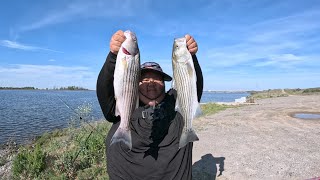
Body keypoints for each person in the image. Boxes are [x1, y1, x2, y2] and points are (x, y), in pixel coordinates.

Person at [96, 30, 203, 180]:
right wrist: (113, 57)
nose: (151, 83)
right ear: (134, 82)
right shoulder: (126, 104)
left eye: (157, 79)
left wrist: (191, 57)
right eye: (145, 79)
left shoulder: (175, 103)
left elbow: (192, 86)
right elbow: (104, 89)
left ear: (165, 84)